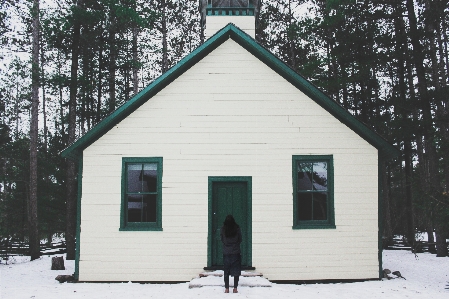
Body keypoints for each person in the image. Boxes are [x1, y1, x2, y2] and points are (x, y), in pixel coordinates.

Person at [220, 214, 242, 293]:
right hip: (235, 252)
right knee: (236, 270)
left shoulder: (223, 229)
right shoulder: (237, 228)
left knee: (226, 270)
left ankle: (226, 288)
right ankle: (235, 288)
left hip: (226, 252)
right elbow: (240, 239)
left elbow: (222, 239)